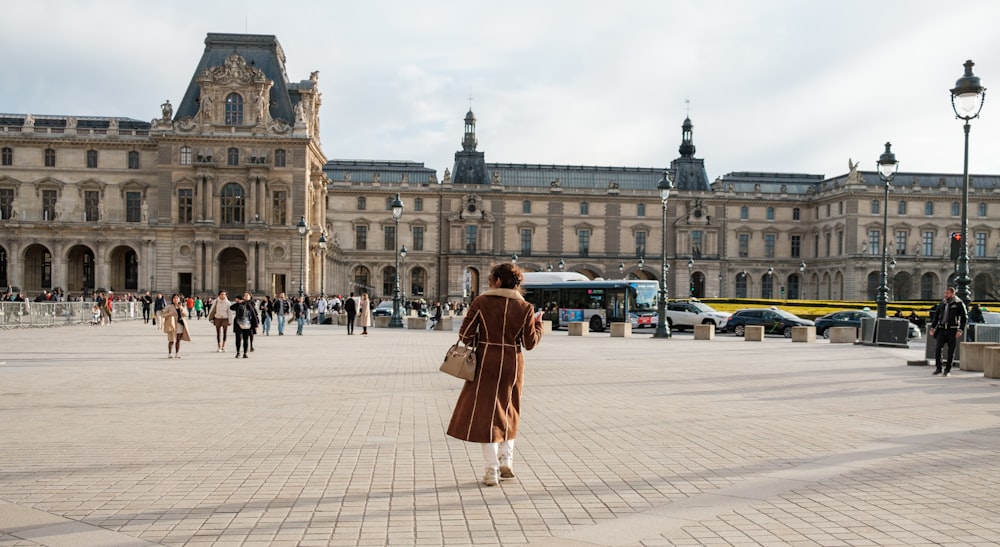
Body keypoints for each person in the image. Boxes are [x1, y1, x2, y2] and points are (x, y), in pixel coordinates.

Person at [446, 263, 544, 486]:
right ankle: (506, 458)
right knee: (510, 408)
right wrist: (538, 326)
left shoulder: (482, 302)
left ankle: (491, 469)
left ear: (498, 281)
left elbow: (466, 336)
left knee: (486, 414)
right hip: (512, 362)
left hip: (486, 360)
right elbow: (529, 343)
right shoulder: (526, 307)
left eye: (491, 278)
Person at [929, 287, 967, 377]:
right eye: (945, 293)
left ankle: (947, 370)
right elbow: (936, 316)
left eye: (948, 294)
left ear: (953, 294)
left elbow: (964, 318)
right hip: (941, 329)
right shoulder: (942, 303)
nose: (945, 295)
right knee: (938, 348)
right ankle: (938, 368)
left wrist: (960, 329)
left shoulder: (958, 303)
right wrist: (932, 328)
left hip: (952, 329)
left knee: (950, 350)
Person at [161, 294, 191, 359]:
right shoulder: (169, 307)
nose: (176, 299)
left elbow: (186, 314)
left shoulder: (182, 306)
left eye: (177, 298)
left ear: (179, 299)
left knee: (178, 340)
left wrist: (181, 308)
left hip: (180, 325)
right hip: (172, 325)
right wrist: (169, 314)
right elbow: (163, 314)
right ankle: (170, 353)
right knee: (171, 340)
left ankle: (177, 353)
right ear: (172, 299)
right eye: (174, 298)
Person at [230, 292, 258, 359]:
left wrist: (256, 325)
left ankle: (245, 353)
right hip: (238, 324)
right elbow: (231, 307)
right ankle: (238, 352)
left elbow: (254, 315)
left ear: (250, 297)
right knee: (238, 339)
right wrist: (238, 302)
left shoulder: (250, 304)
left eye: (247, 295)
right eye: (244, 295)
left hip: (247, 324)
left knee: (246, 339)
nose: (245, 296)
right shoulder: (239, 303)